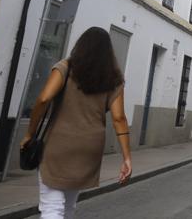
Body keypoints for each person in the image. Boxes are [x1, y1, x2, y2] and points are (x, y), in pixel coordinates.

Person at [22, 26, 132, 218]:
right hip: (90, 148)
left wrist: (30, 134)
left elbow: (43, 99)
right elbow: (119, 118)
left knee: (51, 206)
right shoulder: (114, 79)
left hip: (59, 144)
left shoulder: (66, 67)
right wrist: (127, 158)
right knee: (69, 205)